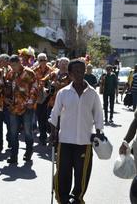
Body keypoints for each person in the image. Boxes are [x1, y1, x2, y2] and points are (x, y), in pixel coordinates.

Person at [49, 59, 104, 204]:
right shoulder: (63, 93)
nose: (80, 74)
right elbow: (55, 114)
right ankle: (63, 199)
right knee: (63, 173)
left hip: (84, 141)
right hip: (65, 141)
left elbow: (98, 114)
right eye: (77, 71)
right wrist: (53, 131)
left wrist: (99, 132)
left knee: (82, 175)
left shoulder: (92, 93)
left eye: (82, 71)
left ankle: (77, 198)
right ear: (70, 74)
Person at [5, 55, 38, 163]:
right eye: (11, 65)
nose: (12, 67)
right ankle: (14, 156)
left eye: (14, 65)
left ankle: (28, 152)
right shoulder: (10, 73)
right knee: (13, 133)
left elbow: (35, 87)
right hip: (14, 107)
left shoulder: (29, 73)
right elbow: (7, 87)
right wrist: (6, 98)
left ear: (19, 63)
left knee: (28, 132)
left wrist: (31, 101)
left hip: (27, 107)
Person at [33, 53, 54, 145]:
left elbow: (54, 81)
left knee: (47, 117)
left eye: (44, 60)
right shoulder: (34, 71)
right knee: (40, 117)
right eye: (41, 60)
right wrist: (40, 87)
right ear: (38, 61)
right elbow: (32, 83)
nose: (43, 62)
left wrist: (49, 87)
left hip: (49, 97)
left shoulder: (51, 71)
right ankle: (42, 136)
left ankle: (48, 134)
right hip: (38, 97)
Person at [0, 53, 12, 149]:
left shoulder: (12, 71)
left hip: (9, 103)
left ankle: (10, 141)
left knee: (10, 124)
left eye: (2, 60)